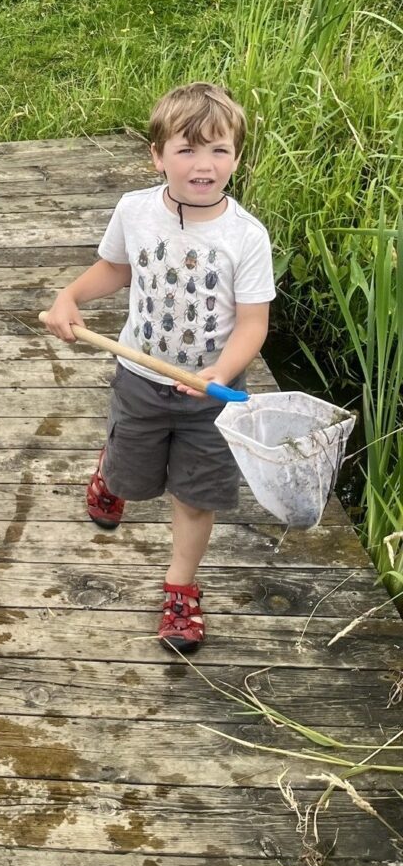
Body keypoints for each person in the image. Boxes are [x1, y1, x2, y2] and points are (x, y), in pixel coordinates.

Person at [42, 82, 275, 652]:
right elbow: (115, 270)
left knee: (196, 495)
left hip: (211, 394)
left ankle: (180, 588)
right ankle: (112, 470)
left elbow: (252, 324)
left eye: (219, 150)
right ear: (157, 155)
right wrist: (70, 297)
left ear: (236, 158)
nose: (204, 165)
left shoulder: (246, 237)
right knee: (130, 474)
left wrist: (220, 373)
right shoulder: (134, 210)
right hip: (139, 380)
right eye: (187, 149)